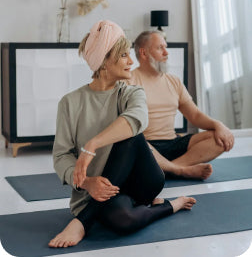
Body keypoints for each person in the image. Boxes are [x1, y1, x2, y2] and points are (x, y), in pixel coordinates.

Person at [48, 21, 196, 249]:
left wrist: (92, 145)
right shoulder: (70, 103)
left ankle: (82, 221)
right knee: (124, 221)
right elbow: (61, 156)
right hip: (99, 192)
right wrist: (87, 183)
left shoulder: (132, 92)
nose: (131, 61)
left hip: (141, 181)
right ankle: (170, 206)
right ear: (105, 61)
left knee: (131, 134)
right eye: (124, 55)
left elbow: (138, 119)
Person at [128, 30, 234, 180]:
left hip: (173, 142)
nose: (166, 53)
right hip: (146, 146)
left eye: (166, 47)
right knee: (131, 140)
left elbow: (195, 115)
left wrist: (219, 125)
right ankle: (178, 170)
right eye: (160, 48)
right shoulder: (128, 81)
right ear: (144, 53)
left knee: (221, 139)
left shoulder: (174, 81)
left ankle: (168, 169)